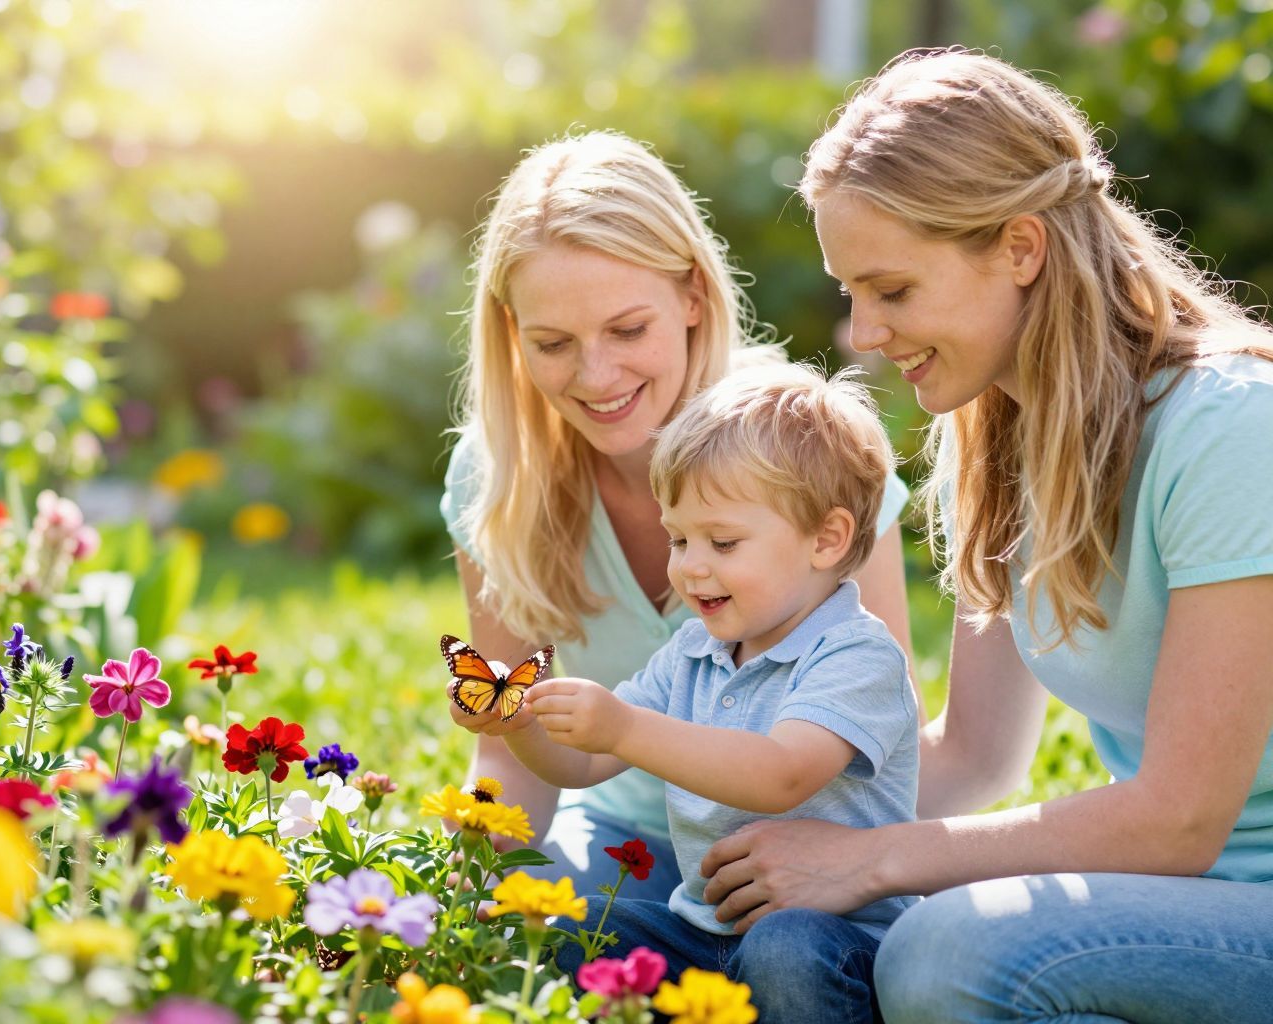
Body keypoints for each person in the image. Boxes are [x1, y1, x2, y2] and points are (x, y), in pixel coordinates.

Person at [694, 49, 1273, 1023]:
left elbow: (1179, 819)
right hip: (1174, 908)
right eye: (851, 295)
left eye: (893, 290)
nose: (863, 335)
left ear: (1019, 249)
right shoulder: (998, 446)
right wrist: (762, 822)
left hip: (1233, 902)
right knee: (803, 942)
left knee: (945, 949)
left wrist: (876, 857)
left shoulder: (1229, 427)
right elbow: (973, 756)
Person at [440, 130, 916, 897]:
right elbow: (507, 758)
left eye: (629, 330)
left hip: (802, 856)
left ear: (693, 296)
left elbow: (880, 724)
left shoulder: (809, 450)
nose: (598, 377)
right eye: (553, 343)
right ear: (511, 334)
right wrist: (461, 900)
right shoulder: (500, 477)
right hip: (618, 847)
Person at [487, 364, 919, 1023]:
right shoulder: (692, 652)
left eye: (722, 541)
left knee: (783, 950)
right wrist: (522, 724)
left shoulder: (857, 654)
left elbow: (781, 775)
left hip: (835, 938)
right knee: (560, 932)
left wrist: (625, 727)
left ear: (825, 539)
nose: (690, 565)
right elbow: (583, 766)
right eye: (679, 538)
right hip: (702, 931)